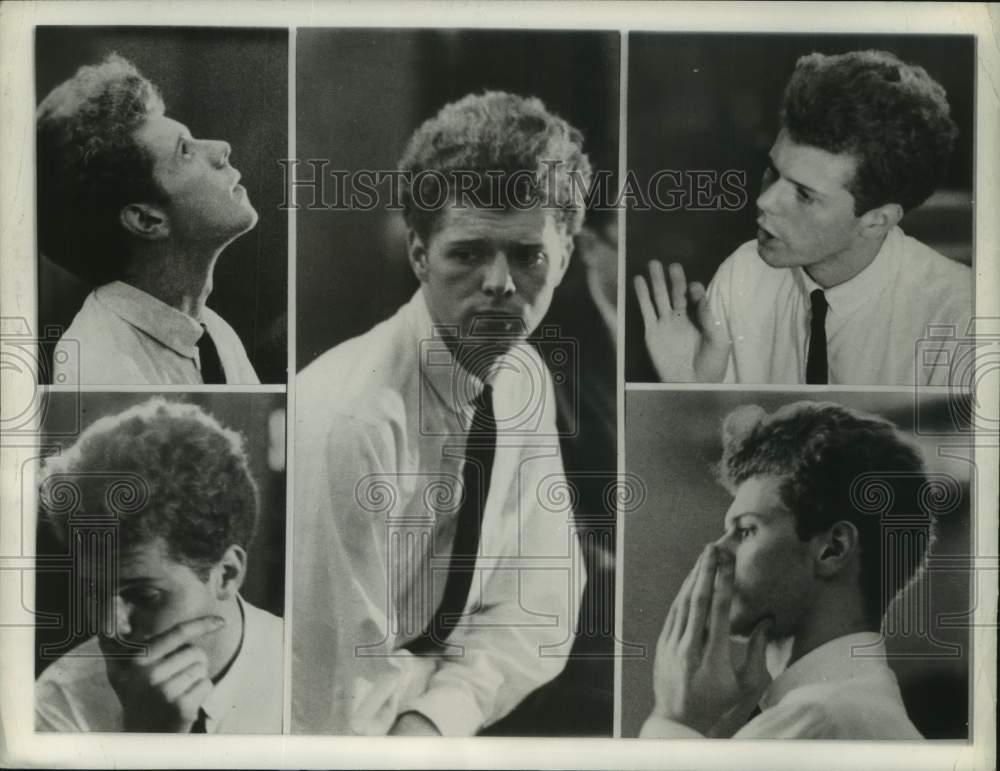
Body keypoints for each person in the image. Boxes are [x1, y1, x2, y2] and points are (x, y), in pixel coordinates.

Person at [293, 91, 589, 736]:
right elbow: (325, 695)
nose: (500, 284)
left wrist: (436, 717)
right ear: (419, 255)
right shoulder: (353, 418)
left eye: (529, 254)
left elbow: (538, 606)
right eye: (468, 252)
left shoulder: (521, 374)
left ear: (565, 252)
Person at [634, 50, 971, 386]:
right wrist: (690, 390)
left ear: (877, 220)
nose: (765, 200)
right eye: (773, 172)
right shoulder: (743, 275)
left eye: (804, 194)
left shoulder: (961, 313)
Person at [641, 401, 931, 739]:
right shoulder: (858, 710)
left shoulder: (817, 719)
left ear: (832, 548)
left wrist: (676, 719)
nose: (717, 551)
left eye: (747, 530)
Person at [35, 399, 283, 733]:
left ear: (227, 574)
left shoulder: (310, 675)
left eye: (144, 595)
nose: (110, 627)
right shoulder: (58, 704)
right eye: (94, 590)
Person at [36, 54, 260, 385]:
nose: (221, 148)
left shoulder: (215, 334)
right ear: (147, 220)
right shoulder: (101, 366)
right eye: (185, 151)